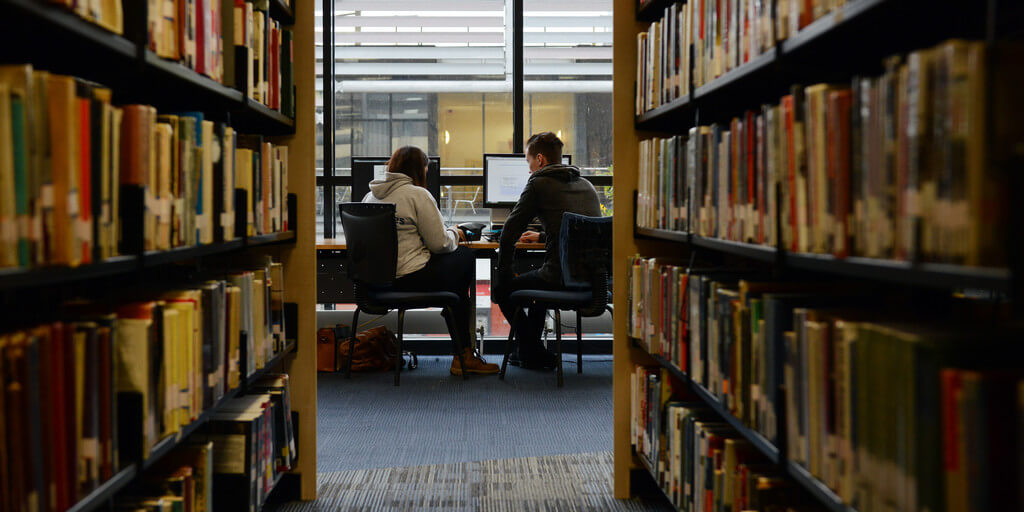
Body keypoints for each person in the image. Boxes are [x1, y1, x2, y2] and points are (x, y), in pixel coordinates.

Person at [362, 146, 499, 376]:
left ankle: (457, 325)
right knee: (465, 257)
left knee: (455, 287)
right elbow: (440, 244)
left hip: (376, 283)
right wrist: (456, 233)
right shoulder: (417, 195)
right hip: (410, 278)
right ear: (419, 170)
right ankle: (462, 352)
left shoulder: (370, 196)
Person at [492, 132, 601, 369]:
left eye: (528, 162)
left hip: (558, 278)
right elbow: (583, 231)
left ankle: (530, 349)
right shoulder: (587, 185)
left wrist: (506, 273)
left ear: (540, 159)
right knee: (537, 283)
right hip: (593, 280)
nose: (529, 169)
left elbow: (509, 233)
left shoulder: (538, 183)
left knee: (502, 289)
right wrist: (542, 236)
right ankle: (530, 350)